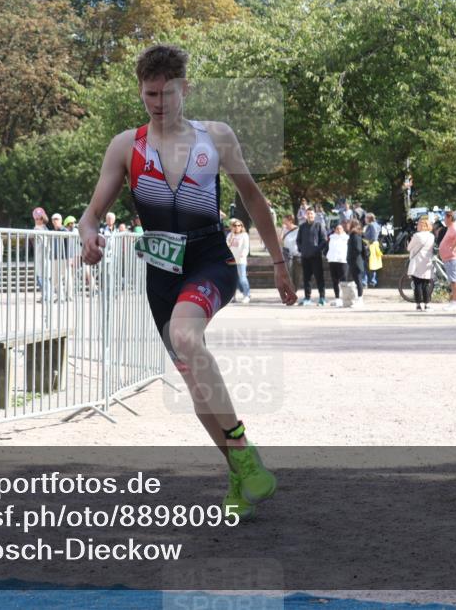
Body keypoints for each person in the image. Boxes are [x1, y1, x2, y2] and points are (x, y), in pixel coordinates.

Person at [78, 43, 295, 521]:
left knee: (184, 334)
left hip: (208, 259)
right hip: (160, 274)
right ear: (140, 91)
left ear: (186, 88)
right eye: (150, 94)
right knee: (196, 384)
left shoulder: (215, 137)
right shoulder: (124, 146)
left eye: (168, 93)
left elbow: (254, 201)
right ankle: (240, 476)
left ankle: (242, 449)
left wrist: (278, 262)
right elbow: (91, 215)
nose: (159, 103)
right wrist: (89, 237)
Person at [298, 207, 328, 305]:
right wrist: (302, 249)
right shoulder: (302, 227)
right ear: (305, 215)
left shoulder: (319, 225)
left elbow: (324, 240)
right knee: (306, 278)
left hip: (316, 257)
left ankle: (322, 298)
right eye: (308, 214)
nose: (309, 215)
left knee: (319, 278)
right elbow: (298, 241)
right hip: (305, 256)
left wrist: (316, 250)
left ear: (314, 215)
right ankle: (307, 298)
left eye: (311, 214)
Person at [406, 216, 435, 311]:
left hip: (417, 262)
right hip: (427, 262)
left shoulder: (417, 236)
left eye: (418, 224)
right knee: (426, 284)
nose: (417, 226)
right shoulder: (431, 236)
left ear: (422, 226)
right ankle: (427, 304)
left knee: (417, 284)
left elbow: (409, 248)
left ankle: (418, 305)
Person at [438, 209, 456, 310]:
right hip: (449, 258)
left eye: (445, 218)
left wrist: (454, 246)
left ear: (449, 218)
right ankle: (454, 301)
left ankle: (455, 302)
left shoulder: (453, 227)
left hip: (452, 258)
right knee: (453, 281)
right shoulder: (451, 227)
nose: (444, 220)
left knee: (454, 281)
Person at [226, 218, 251, 303]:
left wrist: (242, 255)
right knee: (233, 279)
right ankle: (233, 297)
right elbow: (227, 246)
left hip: (240, 260)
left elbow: (246, 247)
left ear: (241, 226)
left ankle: (247, 295)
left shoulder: (244, 235)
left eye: (238, 225)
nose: (237, 227)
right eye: (235, 225)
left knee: (242, 278)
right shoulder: (230, 235)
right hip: (231, 260)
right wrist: (232, 237)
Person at [346, 221, 368, 307]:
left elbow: (358, 249)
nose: (347, 225)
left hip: (356, 262)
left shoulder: (355, 236)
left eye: (349, 223)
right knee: (356, 281)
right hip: (354, 261)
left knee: (358, 281)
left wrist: (351, 256)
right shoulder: (353, 235)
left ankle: (360, 299)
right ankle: (357, 299)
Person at [326, 221, 349, 307]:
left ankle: (345, 298)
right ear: (335, 230)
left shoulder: (347, 238)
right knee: (335, 280)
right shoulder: (331, 237)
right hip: (332, 261)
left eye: (340, 229)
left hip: (343, 261)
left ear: (343, 230)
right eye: (337, 229)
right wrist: (328, 255)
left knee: (343, 280)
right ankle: (337, 298)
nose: (338, 230)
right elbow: (326, 247)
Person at [280, 216, 302, 302]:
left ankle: (294, 292)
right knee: (288, 274)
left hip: (297, 254)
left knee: (297, 275)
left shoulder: (298, 229)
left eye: (285, 221)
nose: (283, 222)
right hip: (287, 254)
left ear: (290, 221)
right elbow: (280, 241)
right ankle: (290, 293)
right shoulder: (285, 230)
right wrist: (282, 230)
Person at [363, 213, 382, 287]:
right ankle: (372, 282)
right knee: (372, 264)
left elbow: (373, 237)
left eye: (366, 218)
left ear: (369, 218)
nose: (365, 219)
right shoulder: (377, 224)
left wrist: (367, 245)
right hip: (374, 246)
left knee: (368, 264)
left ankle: (370, 282)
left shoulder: (371, 225)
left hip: (371, 246)